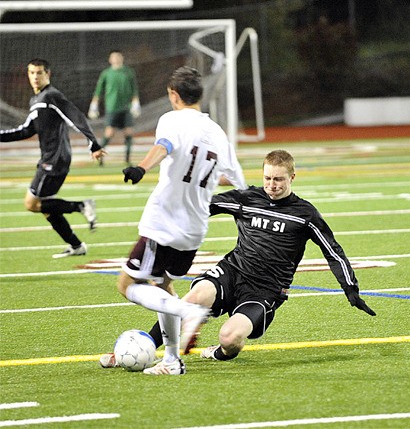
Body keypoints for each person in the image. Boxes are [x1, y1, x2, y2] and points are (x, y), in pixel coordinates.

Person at [100, 149, 375, 367]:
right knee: (193, 300)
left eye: (278, 179)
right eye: (268, 178)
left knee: (231, 338)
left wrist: (351, 290)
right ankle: (145, 345)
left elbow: (333, 251)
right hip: (232, 271)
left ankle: (219, 353)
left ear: (292, 177)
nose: (272, 185)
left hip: (265, 290)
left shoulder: (304, 214)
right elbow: (205, 205)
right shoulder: (248, 198)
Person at [112, 66, 247, 375]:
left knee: (127, 284)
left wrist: (142, 167)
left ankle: (188, 311)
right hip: (195, 229)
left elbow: (165, 146)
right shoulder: (217, 132)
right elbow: (233, 179)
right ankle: (172, 360)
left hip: (164, 223)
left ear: (173, 95)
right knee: (163, 285)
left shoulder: (172, 119)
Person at [0, 58, 105, 259]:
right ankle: (76, 245)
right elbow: (25, 130)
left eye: (39, 73)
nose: (35, 77)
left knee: (31, 204)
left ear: (48, 74)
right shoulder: (37, 100)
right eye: (31, 73)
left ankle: (81, 205)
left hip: (54, 160)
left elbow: (76, 116)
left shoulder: (52, 96)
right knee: (47, 207)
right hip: (51, 159)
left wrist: (93, 142)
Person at [88, 50, 141, 165]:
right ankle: (100, 155)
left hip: (126, 108)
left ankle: (127, 159)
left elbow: (134, 89)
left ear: (122, 58)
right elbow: (98, 91)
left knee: (129, 132)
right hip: (112, 108)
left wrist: (136, 103)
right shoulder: (106, 73)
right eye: (114, 57)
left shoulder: (128, 72)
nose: (116, 59)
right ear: (110, 60)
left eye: (118, 57)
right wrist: (94, 105)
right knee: (109, 133)